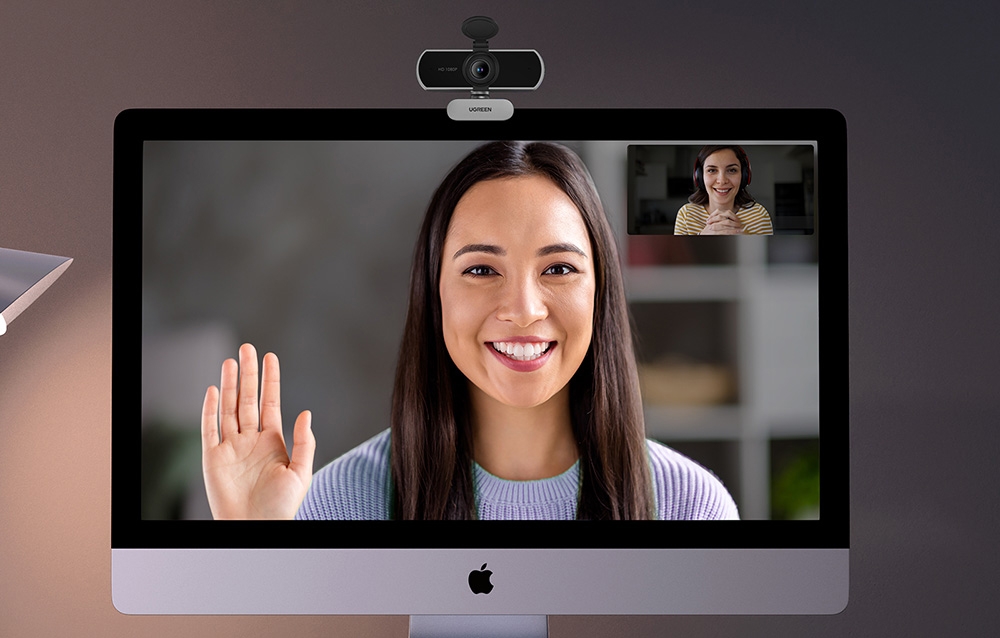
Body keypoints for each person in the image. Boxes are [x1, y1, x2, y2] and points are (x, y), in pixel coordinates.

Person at [201, 141, 739, 521]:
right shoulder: (341, 504)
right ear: (433, 294)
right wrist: (257, 551)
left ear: (601, 293)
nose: (524, 309)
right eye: (481, 270)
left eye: (558, 269)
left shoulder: (691, 508)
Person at [674, 145, 773, 235]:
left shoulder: (759, 215)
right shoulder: (686, 215)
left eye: (732, 170)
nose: (722, 181)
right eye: (712, 170)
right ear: (699, 176)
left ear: (744, 176)